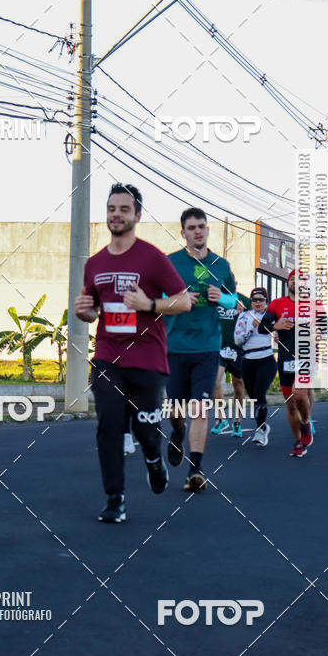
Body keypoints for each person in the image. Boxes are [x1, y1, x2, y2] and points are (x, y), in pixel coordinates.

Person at [74, 183, 191, 523]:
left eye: (124, 209)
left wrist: (149, 304)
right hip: (109, 356)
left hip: (148, 358)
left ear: (137, 215)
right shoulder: (94, 264)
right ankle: (115, 499)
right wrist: (86, 312)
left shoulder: (152, 257)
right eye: (112, 209)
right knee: (109, 425)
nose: (117, 214)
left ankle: (154, 459)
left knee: (145, 430)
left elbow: (183, 300)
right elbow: (94, 310)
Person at [164, 207, 237, 491]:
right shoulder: (170, 264)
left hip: (208, 347)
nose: (197, 231)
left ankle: (195, 470)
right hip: (176, 346)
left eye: (202, 226)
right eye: (192, 227)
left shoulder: (221, 266)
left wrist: (223, 299)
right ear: (183, 233)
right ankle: (177, 432)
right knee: (177, 409)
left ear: (207, 230)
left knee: (200, 408)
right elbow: (156, 300)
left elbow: (234, 302)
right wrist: (178, 299)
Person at [258, 269, 328, 458]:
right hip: (286, 359)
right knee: (290, 405)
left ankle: (305, 423)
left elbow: (327, 327)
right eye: (292, 279)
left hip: (308, 356)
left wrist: (318, 333)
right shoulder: (277, 304)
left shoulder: (315, 304)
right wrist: (275, 326)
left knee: (300, 392)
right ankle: (298, 442)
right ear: (288, 283)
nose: (296, 282)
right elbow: (261, 327)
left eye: (301, 280)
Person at [234, 287, 276, 446]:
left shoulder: (270, 316)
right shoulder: (244, 316)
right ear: (250, 302)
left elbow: (278, 332)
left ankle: (259, 430)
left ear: (266, 301)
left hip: (266, 359)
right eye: (254, 299)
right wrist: (252, 327)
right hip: (248, 360)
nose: (258, 302)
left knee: (259, 392)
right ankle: (263, 426)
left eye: (261, 299)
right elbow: (237, 340)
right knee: (253, 398)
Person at [212, 286, 250, 437]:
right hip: (218, 348)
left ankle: (237, 420)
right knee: (215, 382)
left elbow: (257, 317)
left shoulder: (243, 299)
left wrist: (244, 314)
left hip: (238, 350)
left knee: (239, 387)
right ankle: (221, 418)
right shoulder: (214, 298)